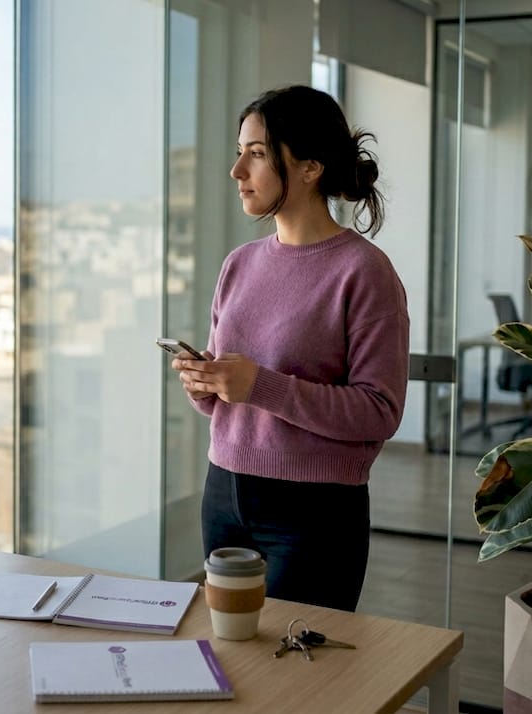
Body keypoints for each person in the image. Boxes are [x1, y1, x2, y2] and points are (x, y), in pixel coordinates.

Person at [171, 85, 409, 611]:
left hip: (314, 511)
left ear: (309, 167)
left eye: (256, 154)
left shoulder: (364, 272)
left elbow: (379, 411)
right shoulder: (239, 263)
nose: (237, 171)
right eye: (240, 152)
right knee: (232, 660)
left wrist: (261, 385)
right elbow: (223, 401)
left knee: (303, 678)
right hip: (223, 494)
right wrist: (204, 383)